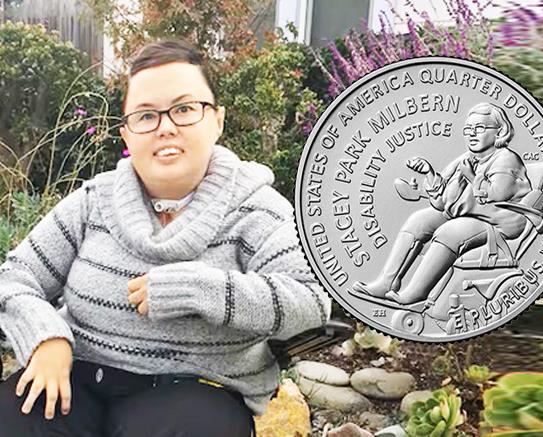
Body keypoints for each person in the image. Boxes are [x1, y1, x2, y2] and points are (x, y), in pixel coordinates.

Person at [0, 39, 331, 437]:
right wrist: (45, 337)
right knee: (15, 416)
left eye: (185, 109)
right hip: (80, 381)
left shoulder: (257, 209)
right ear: (127, 134)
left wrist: (196, 289)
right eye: (145, 116)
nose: (166, 127)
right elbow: (15, 277)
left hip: (194, 394)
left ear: (217, 120)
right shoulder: (93, 201)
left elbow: (311, 299)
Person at [352, 102, 532, 305]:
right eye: (468, 129)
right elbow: (442, 202)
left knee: (450, 232)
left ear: (500, 131)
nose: (472, 134)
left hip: (497, 220)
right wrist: (429, 173)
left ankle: (416, 293)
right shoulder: (467, 159)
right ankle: (387, 282)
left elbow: (497, 195)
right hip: (468, 212)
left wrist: (470, 176)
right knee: (419, 220)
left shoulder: (506, 159)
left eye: (480, 128)